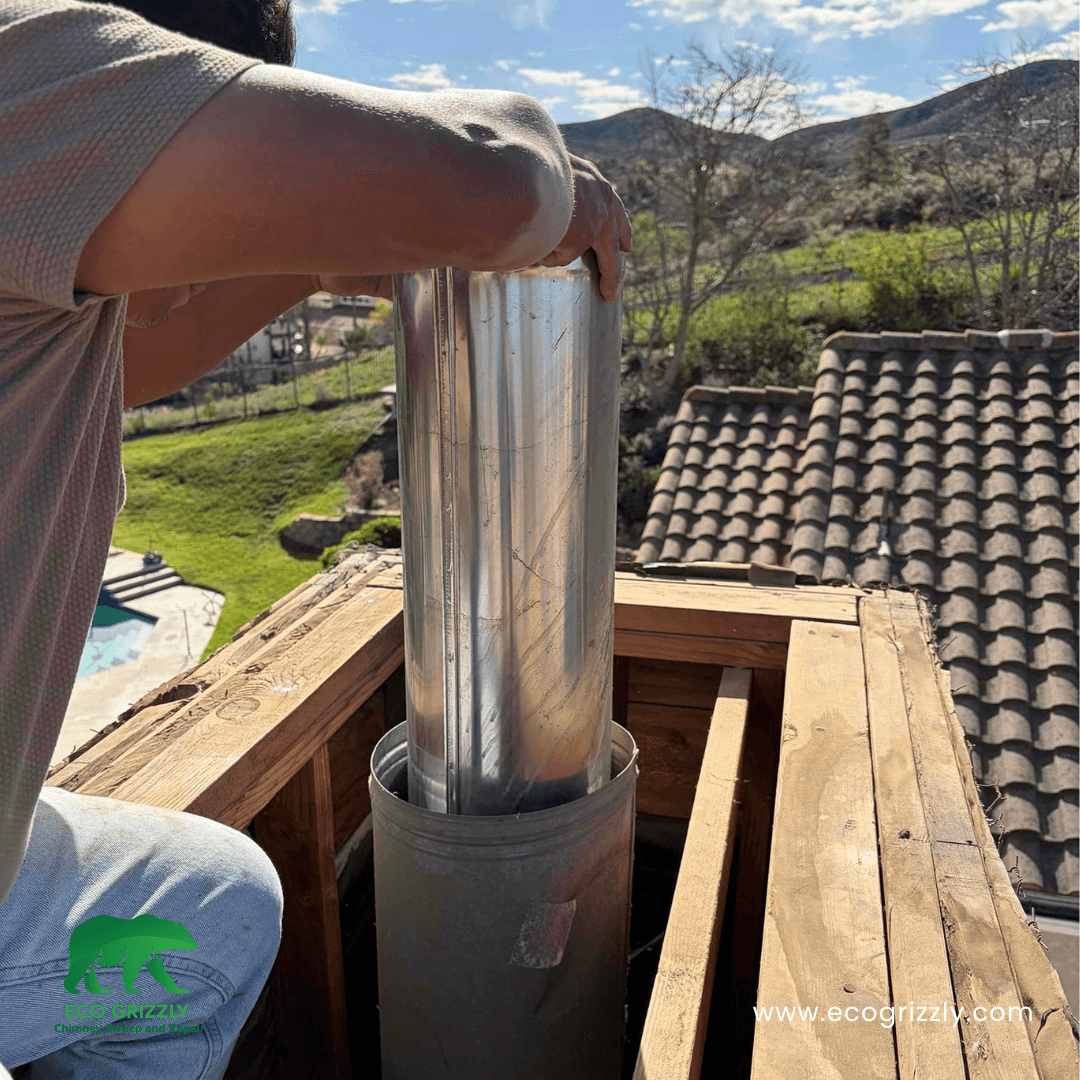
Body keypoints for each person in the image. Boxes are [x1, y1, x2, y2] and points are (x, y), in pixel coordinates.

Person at [0, 0, 632, 1076]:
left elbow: (128, 364)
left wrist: (305, 254)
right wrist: (538, 172)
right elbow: (492, 179)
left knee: (217, 902)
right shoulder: (28, 67)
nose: (200, 265)